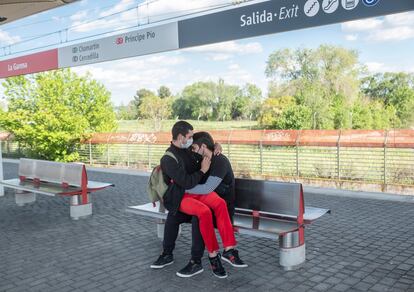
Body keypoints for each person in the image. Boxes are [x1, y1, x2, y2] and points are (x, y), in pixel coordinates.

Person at [180, 133, 247, 278]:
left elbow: (206, 189)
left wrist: (183, 188)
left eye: (194, 148)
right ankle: (204, 259)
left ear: (203, 147)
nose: (192, 151)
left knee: (200, 215)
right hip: (206, 204)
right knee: (200, 214)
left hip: (224, 211)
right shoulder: (200, 159)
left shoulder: (219, 161)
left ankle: (209, 258)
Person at [150, 121, 210, 278]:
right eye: (189, 136)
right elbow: (186, 181)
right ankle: (167, 254)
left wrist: (215, 146)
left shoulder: (186, 150)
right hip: (180, 199)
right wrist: (202, 171)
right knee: (173, 216)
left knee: (198, 216)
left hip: (195, 198)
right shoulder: (168, 159)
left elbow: (205, 142)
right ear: (181, 137)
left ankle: (196, 262)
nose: (191, 140)